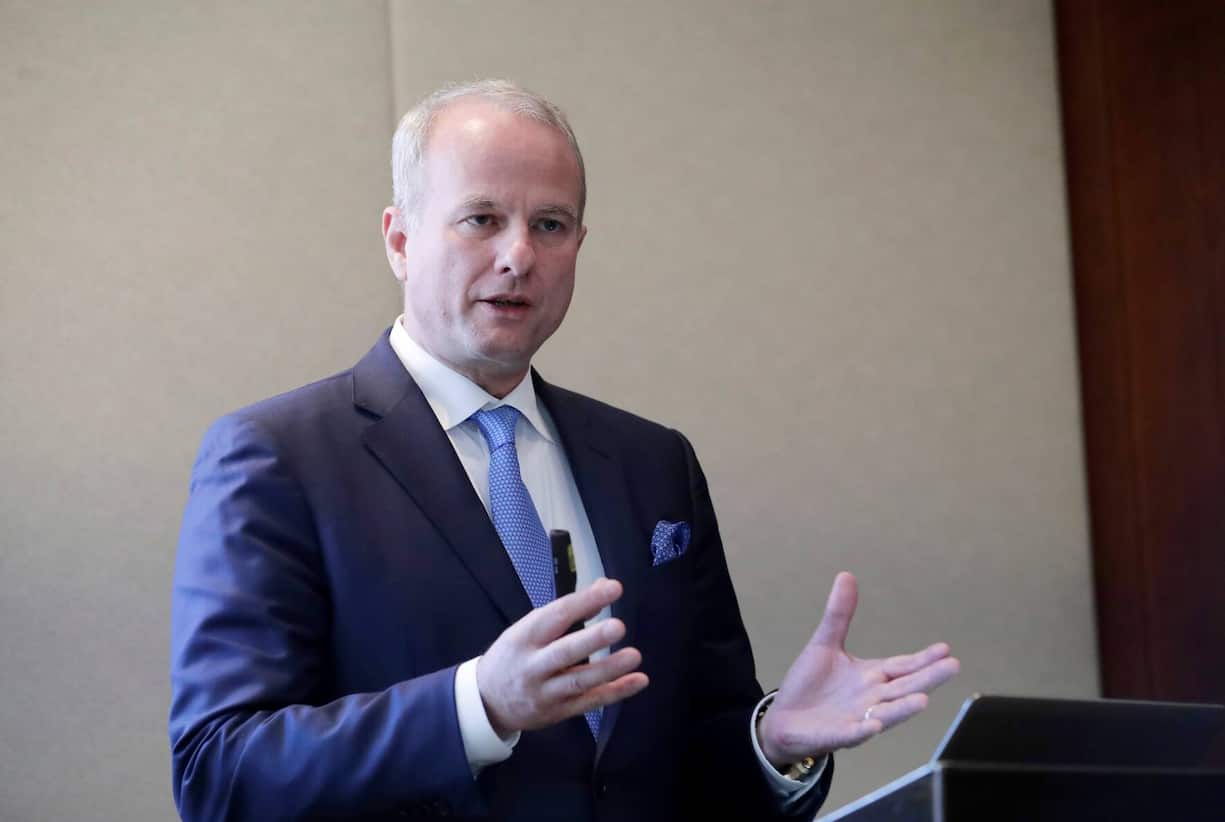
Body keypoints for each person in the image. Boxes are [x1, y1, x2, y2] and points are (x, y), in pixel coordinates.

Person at [169, 79, 959, 822]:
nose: (519, 256)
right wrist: (479, 705)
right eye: (481, 218)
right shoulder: (278, 457)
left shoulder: (653, 464)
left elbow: (677, 761)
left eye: (549, 224)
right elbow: (220, 772)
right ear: (400, 239)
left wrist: (770, 741)